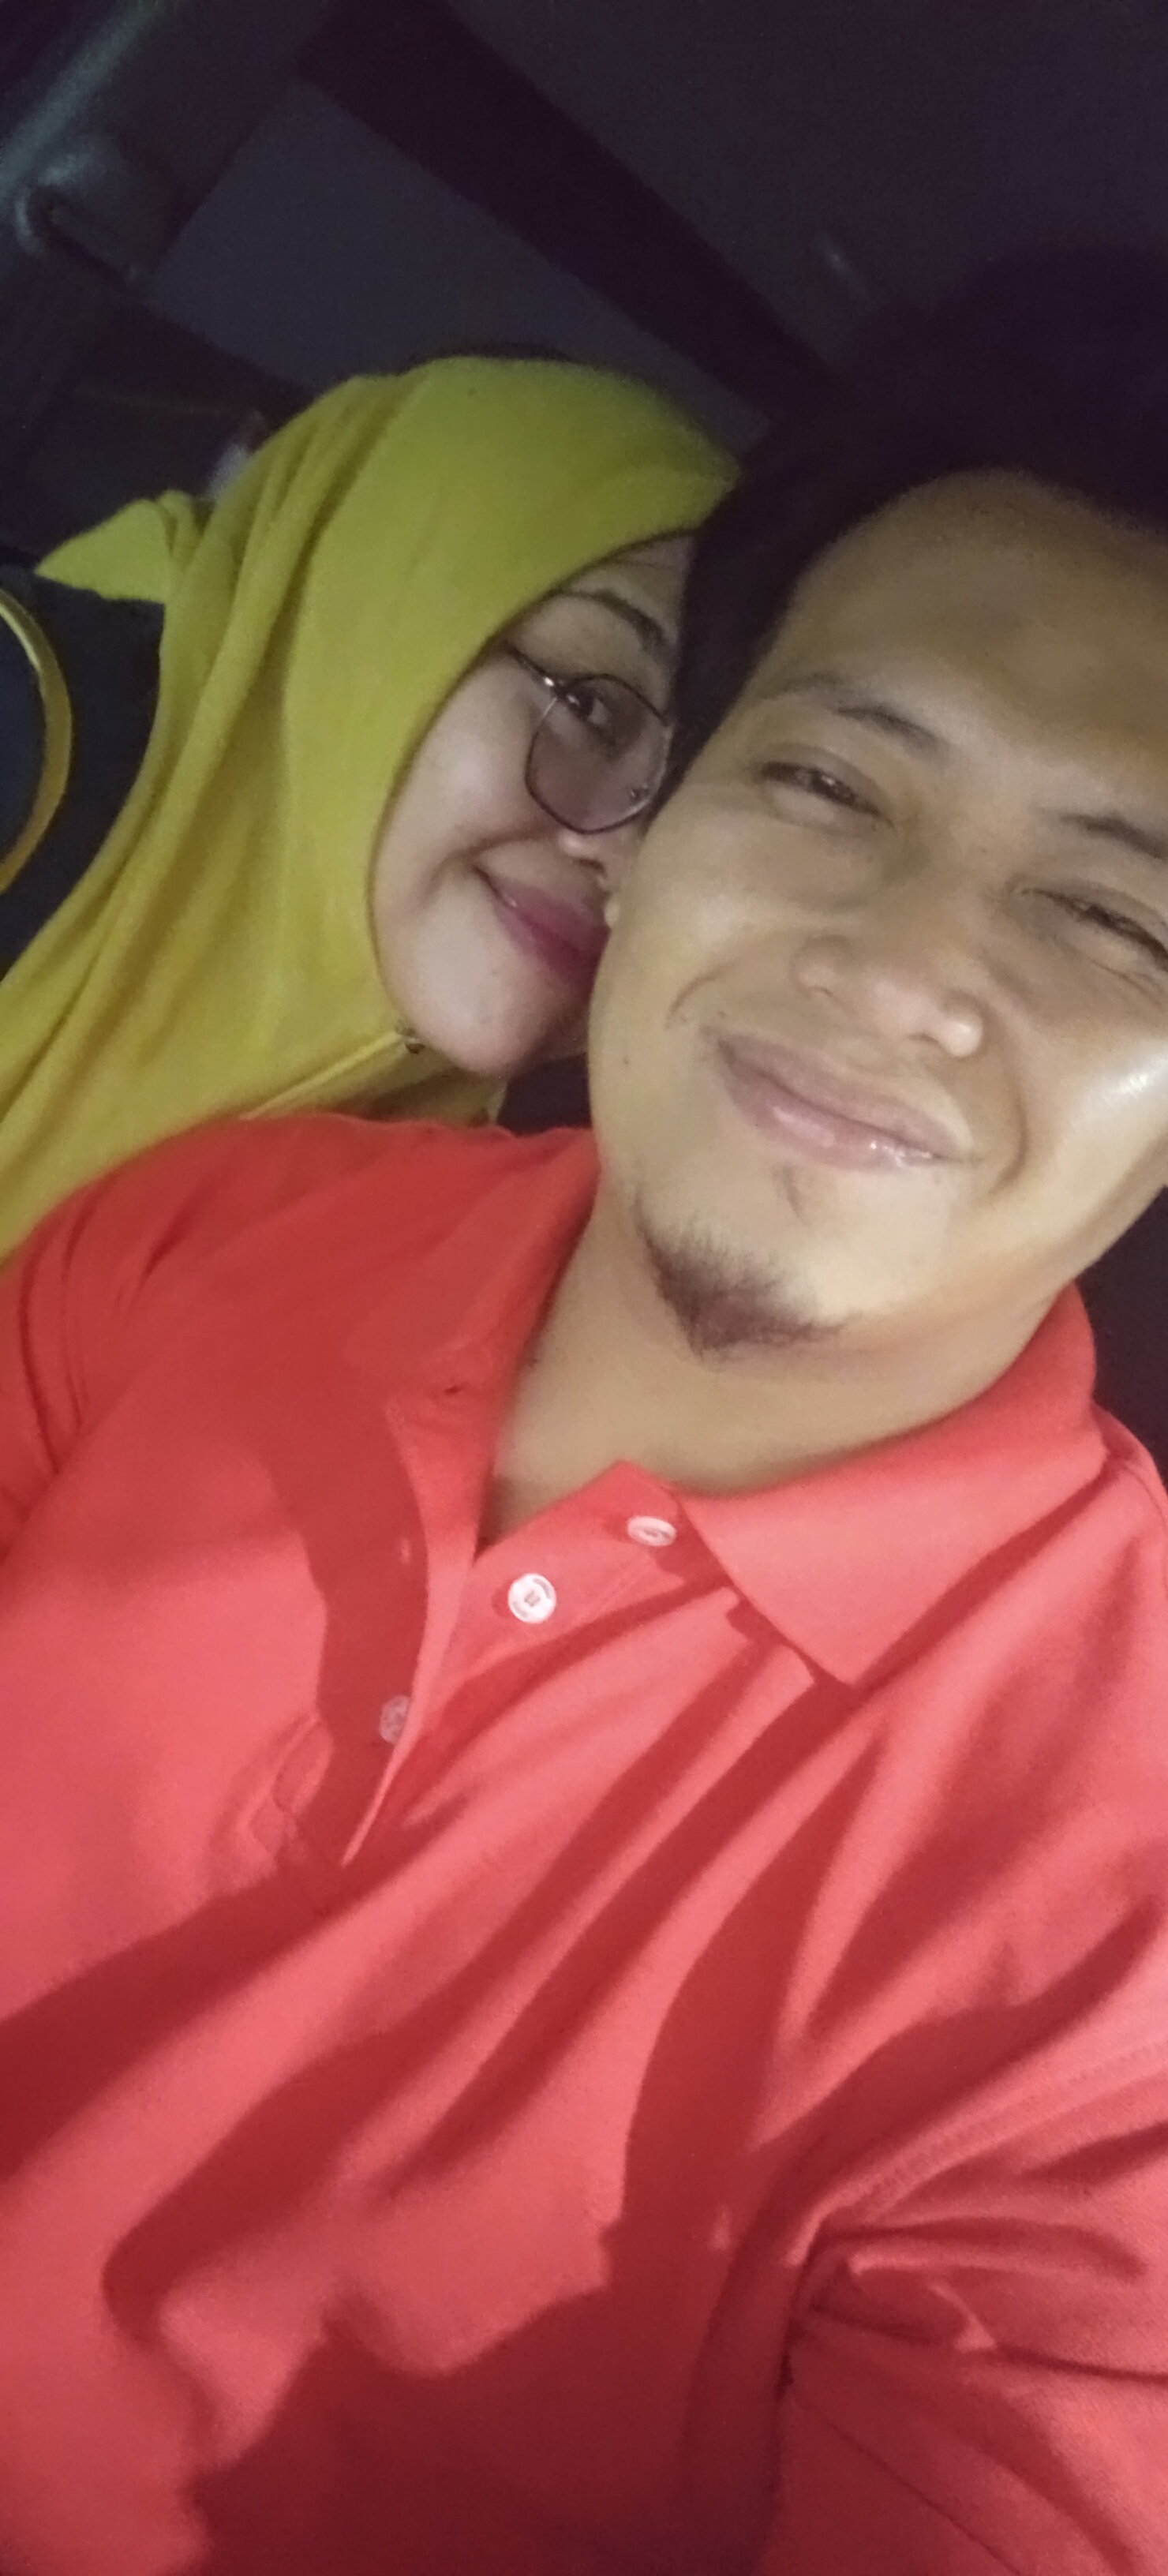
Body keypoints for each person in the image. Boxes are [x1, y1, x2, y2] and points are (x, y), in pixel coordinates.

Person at [3, 250, 1168, 2576]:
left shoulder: (1116, 1932)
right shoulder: (225, 1225)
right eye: (827, 779)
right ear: (653, 827)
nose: (899, 969)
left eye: (1117, 918)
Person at [0, 357, 732, 1256]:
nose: (625, 854)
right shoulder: (28, 736)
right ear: (375, 625)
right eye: (588, 706)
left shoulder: (469, 1181)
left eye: (689, 803)